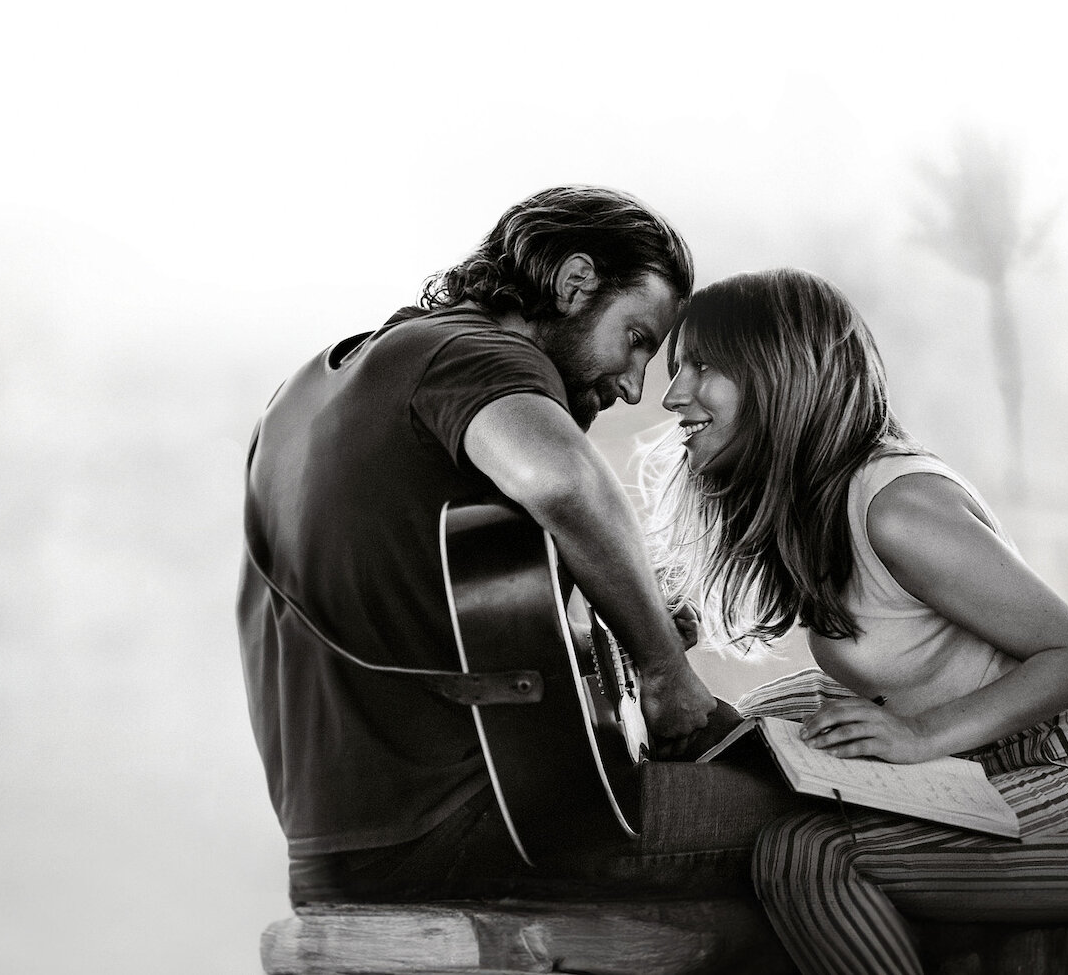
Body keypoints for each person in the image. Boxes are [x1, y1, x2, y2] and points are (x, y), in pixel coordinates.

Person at [236, 186, 802, 908]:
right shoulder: (477, 355)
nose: (634, 387)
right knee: (822, 826)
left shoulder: (307, 392)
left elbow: (446, 614)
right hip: (471, 832)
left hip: (338, 857)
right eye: (636, 338)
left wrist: (619, 627)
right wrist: (663, 670)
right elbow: (564, 483)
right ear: (574, 283)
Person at [645, 268, 1068, 975]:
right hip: (990, 772)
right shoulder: (822, 503)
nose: (673, 395)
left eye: (703, 367)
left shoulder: (898, 507)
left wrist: (919, 737)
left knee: (811, 854)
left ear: (780, 374)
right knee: (762, 723)